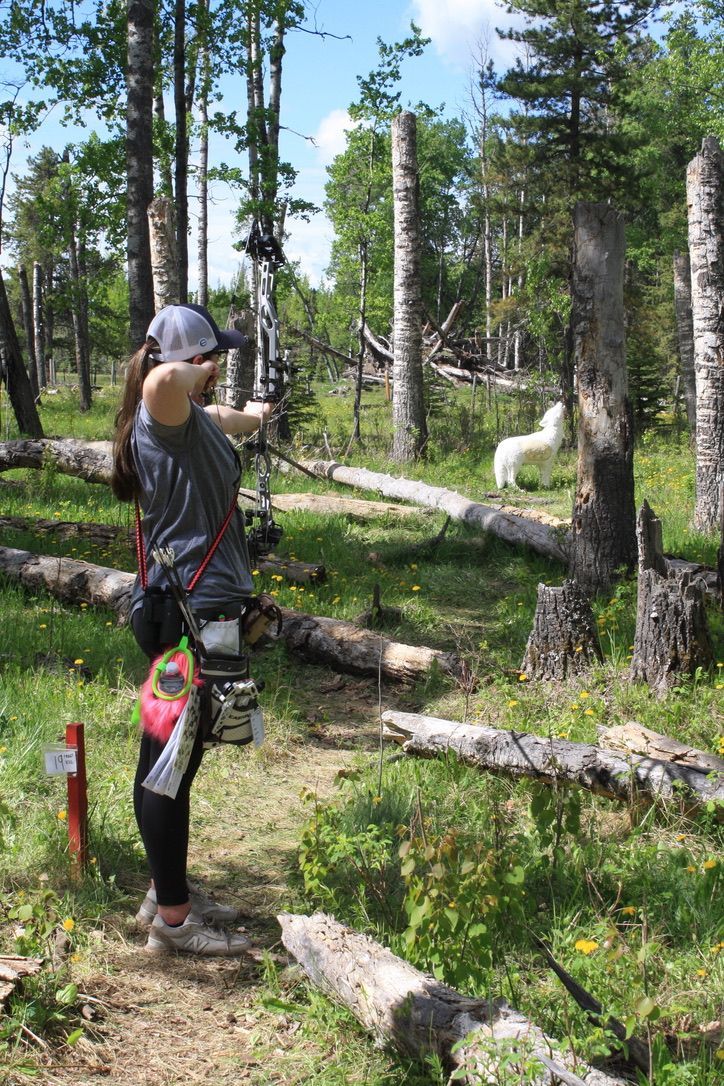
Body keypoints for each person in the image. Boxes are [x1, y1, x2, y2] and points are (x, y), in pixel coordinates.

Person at [112, 303, 273, 956]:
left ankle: (164, 887)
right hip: (194, 617)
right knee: (170, 764)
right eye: (213, 359)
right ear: (185, 360)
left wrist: (257, 413)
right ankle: (174, 923)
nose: (217, 371)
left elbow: (226, 418)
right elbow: (161, 384)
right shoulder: (164, 410)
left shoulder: (193, 419)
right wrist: (182, 365)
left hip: (209, 612)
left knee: (174, 755)